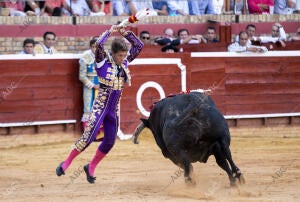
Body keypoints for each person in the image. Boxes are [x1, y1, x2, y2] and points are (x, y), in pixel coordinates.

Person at [56, 24, 143, 184]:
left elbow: (139, 46)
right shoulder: (102, 61)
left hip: (113, 110)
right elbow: (99, 45)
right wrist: (109, 32)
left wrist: (125, 33)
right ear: (113, 54)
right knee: (88, 138)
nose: (124, 58)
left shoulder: (124, 63)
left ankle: (91, 167)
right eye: (121, 56)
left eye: (125, 55)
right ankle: (66, 162)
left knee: (110, 141)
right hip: (100, 108)